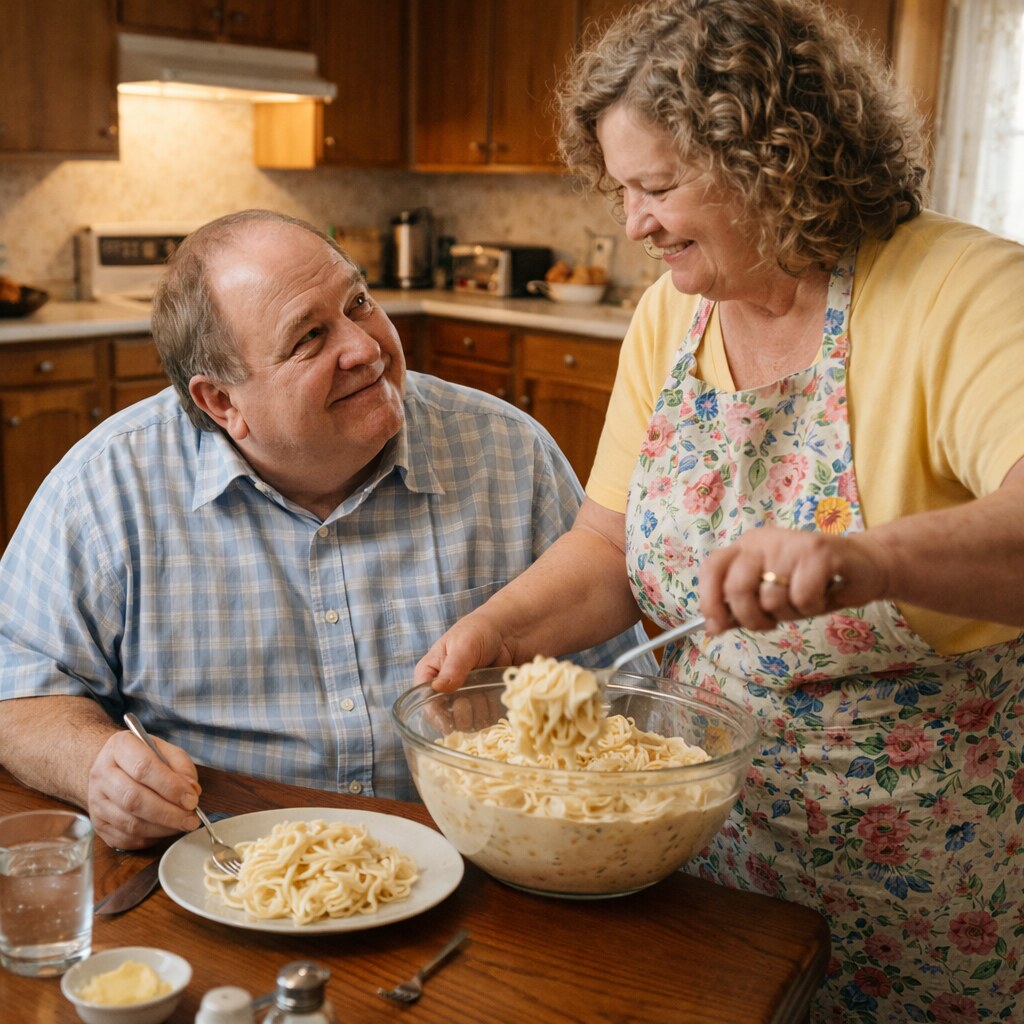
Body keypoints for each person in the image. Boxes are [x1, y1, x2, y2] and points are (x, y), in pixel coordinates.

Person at [415, 2, 1024, 1020]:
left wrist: (867, 561)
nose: (633, 223)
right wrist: (494, 634)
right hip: (701, 847)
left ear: (776, 159)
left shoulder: (962, 290)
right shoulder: (671, 313)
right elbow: (608, 543)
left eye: (657, 186)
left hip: (927, 870)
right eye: (620, 189)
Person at [0, 209, 653, 853]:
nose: (366, 347)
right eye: (309, 337)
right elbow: (15, 689)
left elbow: (625, 695)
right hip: (225, 870)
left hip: (486, 857)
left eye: (360, 302)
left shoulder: (510, 454)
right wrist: (96, 767)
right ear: (221, 402)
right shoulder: (110, 486)